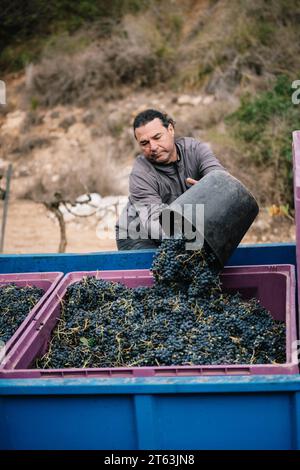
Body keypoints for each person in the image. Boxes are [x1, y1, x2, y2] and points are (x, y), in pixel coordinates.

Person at [116, 109, 225, 250]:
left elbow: (221, 179)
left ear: (171, 130)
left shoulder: (196, 150)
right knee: (162, 268)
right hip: (137, 234)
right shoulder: (141, 174)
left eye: (157, 137)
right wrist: (191, 238)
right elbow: (154, 222)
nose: (153, 147)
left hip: (179, 227)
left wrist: (211, 189)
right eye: (144, 143)